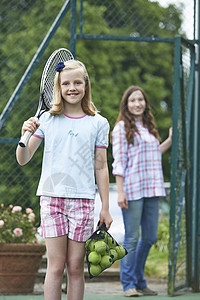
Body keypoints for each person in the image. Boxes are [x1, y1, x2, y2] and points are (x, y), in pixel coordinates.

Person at [16, 59, 113, 300]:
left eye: (77, 82)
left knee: (75, 267)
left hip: (82, 202)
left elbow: (101, 167)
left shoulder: (98, 123)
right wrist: (23, 136)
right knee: (56, 267)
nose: (72, 87)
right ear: (58, 88)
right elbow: (23, 158)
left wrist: (106, 207)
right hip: (51, 199)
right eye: (66, 83)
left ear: (85, 85)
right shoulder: (46, 120)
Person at [111, 85, 172, 297]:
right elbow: (119, 163)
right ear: (126, 105)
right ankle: (128, 284)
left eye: (141, 100)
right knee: (132, 238)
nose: (137, 104)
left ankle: (139, 280)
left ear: (145, 103)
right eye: (133, 100)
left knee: (150, 237)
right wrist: (120, 192)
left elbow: (154, 152)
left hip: (152, 188)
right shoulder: (120, 128)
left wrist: (170, 141)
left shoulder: (147, 126)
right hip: (133, 189)